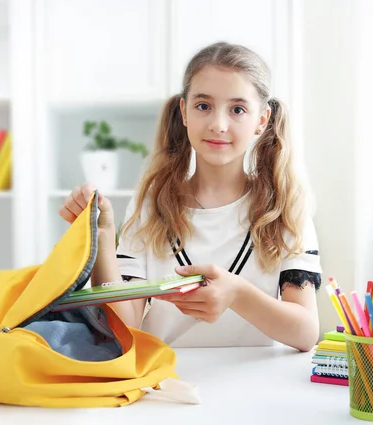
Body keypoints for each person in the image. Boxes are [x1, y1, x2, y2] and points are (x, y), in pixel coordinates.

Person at [59, 42, 322, 351]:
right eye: (203, 106)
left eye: (237, 109)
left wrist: (237, 294)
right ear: (184, 111)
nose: (218, 124)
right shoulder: (150, 205)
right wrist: (102, 238)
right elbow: (123, 327)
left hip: (256, 383)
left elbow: (306, 333)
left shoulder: (285, 207)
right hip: (166, 380)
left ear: (262, 120)